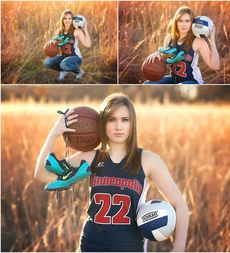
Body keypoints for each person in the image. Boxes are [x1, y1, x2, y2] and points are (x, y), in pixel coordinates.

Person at [34, 93, 189, 252]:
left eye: (125, 120)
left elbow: (180, 205)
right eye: (112, 119)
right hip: (90, 247)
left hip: (130, 248)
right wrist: (54, 134)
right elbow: (41, 175)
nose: (118, 126)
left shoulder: (147, 160)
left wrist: (179, 247)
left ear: (132, 124)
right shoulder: (90, 157)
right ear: (103, 123)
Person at [144, 6, 220, 84]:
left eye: (187, 21)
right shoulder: (169, 38)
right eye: (180, 21)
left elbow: (215, 66)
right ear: (176, 22)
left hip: (193, 81)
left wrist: (212, 42)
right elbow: (165, 58)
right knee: (147, 84)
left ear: (192, 23)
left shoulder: (198, 41)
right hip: (174, 79)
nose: (183, 24)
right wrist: (158, 54)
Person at [43, 9, 91, 82]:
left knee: (64, 63)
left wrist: (85, 30)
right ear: (62, 19)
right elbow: (55, 42)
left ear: (73, 20)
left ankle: (80, 72)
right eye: (65, 18)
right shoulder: (59, 30)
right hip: (64, 57)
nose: (67, 20)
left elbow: (88, 45)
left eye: (69, 18)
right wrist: (51, 41)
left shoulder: (76, 31)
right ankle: (63, 70)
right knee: (47, 62)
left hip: (76, 58)